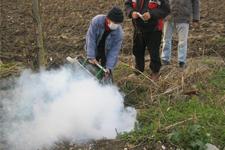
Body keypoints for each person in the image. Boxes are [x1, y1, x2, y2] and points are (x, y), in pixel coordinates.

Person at [125, 0, 170, 81]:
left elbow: (165, 9)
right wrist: (131, 12)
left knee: (154, 52)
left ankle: (155, 72)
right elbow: (127, 5)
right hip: (138, 28)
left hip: (154, 29)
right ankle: (138, 71)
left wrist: (151, 14)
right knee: (137, 50)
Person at [85, 6, 124, 79]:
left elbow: (114, 51)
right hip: (95, 47)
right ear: (108, 19)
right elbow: (91, 38)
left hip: (106, 52)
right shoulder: (97, 21)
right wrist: (91, 56)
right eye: (115, 22)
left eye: (118, 23)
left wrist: (109, 67)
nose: (116, 25)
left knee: (106, 75)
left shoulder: (119, 33)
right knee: (89, 69)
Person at [161, 0, 200, 68]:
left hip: (184, 18)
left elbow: (195, 3)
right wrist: (163, 14)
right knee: (166, 39)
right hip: (168, 17)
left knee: (183, 41)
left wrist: (195, 19)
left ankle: (182, 61)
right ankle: (165, 59)